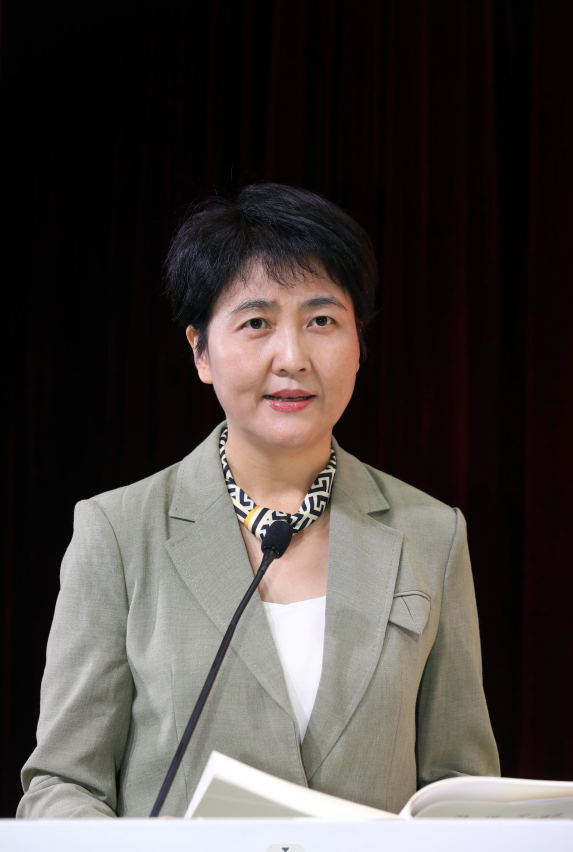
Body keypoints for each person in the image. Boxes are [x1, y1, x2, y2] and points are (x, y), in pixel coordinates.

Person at [17, 183, 499, 819]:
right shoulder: (118, 532)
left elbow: (461, 789)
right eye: (256, 323)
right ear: (200, 351)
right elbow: (63, 785)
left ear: (359, 344)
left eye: (322, 321)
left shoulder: (432, 534)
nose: (292, 357)